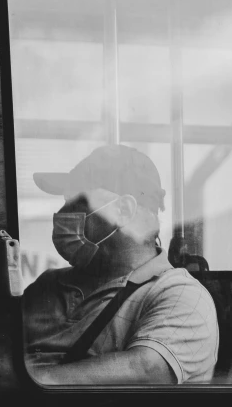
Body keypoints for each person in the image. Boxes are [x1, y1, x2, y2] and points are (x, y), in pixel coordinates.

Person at [23, 145, 219, 384]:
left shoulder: (180, 295)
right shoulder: (48, 285)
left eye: (77, 201)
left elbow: (146, 369)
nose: (62, 213)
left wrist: (25, 381)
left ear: (123, 210)